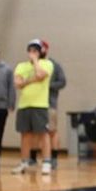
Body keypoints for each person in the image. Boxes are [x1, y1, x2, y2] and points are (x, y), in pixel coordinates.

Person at [12, 39, 54, 175]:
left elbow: (41, 75)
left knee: (43, 133)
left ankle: (47, 162)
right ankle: (24, 161)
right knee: (25, 134)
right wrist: (31, 79)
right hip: (24, 104)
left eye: (35, 50)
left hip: (40, 105)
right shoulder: (21, 66)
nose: (32, 53)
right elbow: (17, 83)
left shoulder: (47, 63)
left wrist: (35, 61)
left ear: (40, 52)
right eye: (30, 50)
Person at [29, 40, 67, 169]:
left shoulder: (54, 65)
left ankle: (54, 158)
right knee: (33, 131)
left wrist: (47, 85)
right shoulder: (31, 65)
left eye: (41, 48)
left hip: (49, 103)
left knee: (52, 131)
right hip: (34, 103)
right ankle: (32, 158)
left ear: (45, 49)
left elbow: (62, 82)